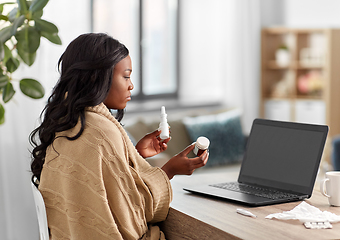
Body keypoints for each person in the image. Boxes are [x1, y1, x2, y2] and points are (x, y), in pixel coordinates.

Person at [30, 33, 208, 240]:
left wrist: (134, 154)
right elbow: (133, 213)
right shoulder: (101, 132)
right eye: (126, 76)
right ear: (97, 77)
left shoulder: (68, 120)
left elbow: (104, 186)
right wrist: (169, 170)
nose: (131, 85)